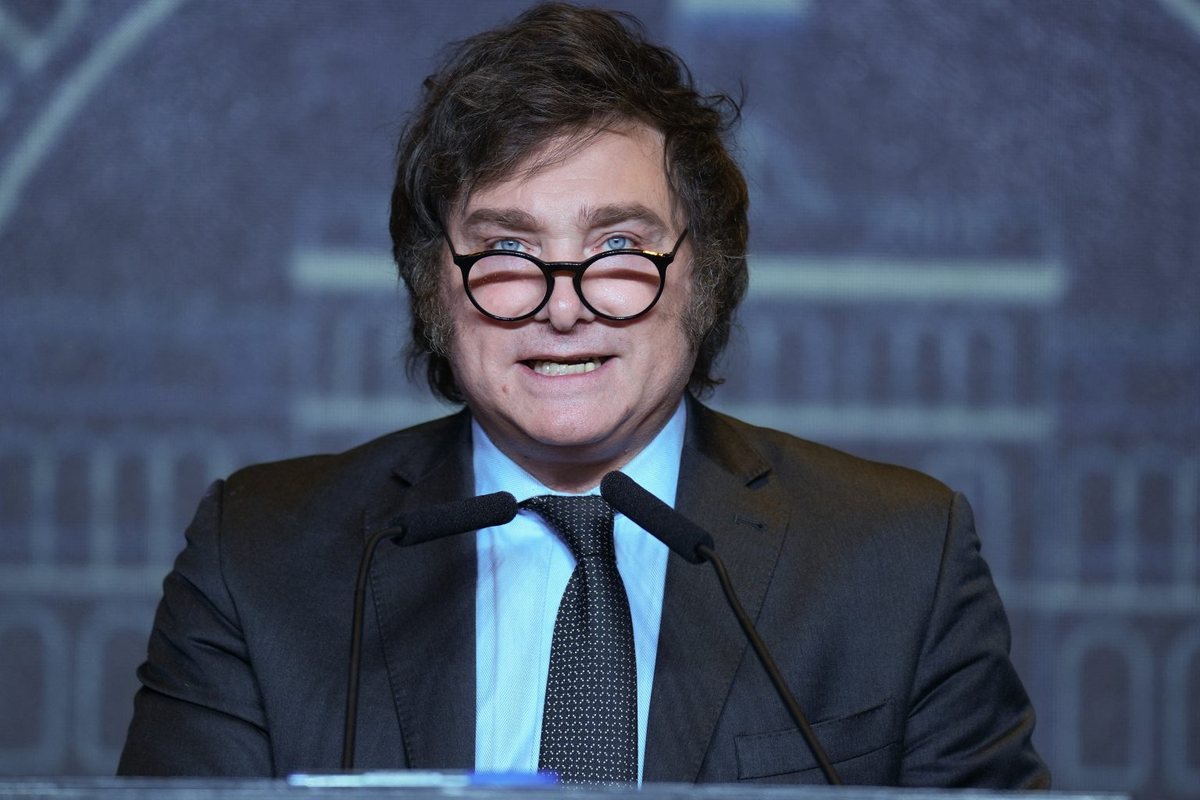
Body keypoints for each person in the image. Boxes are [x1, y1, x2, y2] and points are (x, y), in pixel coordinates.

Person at [118, 3, 1049, 788]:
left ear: (704, 275)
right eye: (507, 250)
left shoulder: (899, 560)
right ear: (434, 285)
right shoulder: (258, 557)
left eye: (617, 248)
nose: (563, 307)